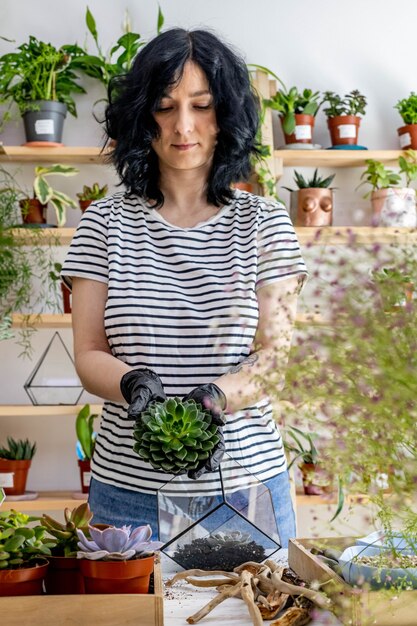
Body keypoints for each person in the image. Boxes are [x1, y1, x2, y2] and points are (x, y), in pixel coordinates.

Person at [61, 27, 307, 547]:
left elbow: (276, 358)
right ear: (141, 116)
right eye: (165, 106)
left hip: (244, 488)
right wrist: (134, 386)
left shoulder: (265, 224)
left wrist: (217, 397)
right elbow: (87, 353)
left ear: (227, 115)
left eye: (202, 105)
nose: (184, 125)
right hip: (127, 493)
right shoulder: (103, 224)